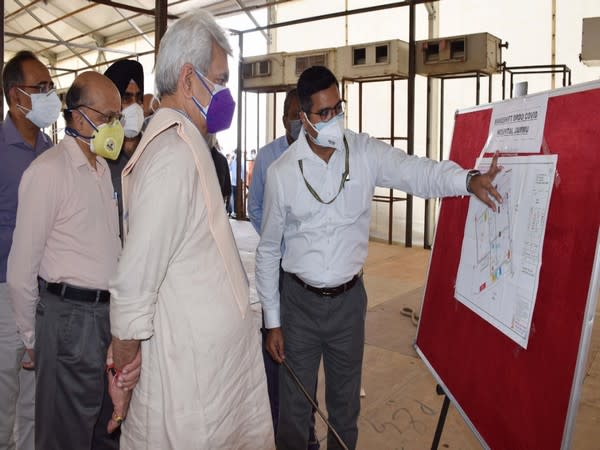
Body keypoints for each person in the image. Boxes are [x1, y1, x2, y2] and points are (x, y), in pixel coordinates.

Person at [255, 65, 502, 450]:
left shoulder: (364, 152)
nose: (335, 118)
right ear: (303, 118)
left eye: (339, 108)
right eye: (324, 113)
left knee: (345, 409)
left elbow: (414, 171)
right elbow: (268, 250)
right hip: (298, 307)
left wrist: (466, 180)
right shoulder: (281, 173)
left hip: (349, 305)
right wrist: (273, 322)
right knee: (294, 414)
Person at [106, 10, 273, 449]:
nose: (224, 93)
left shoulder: (187, 145)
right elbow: (135, 281)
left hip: (211, 373)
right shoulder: (171, 159)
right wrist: (123, 368)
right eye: (218, 80)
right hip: (190, 381)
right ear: (187, 79)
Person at [7, 71, 140, 450]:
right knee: (65, 434)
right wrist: (34, 339)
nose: (117, 126)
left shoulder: (101, 171)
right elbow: (21, 269)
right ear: (80, 117)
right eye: (109, 117)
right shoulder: (48, 172)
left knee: (101, 427)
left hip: (104, 319)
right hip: (67, 319)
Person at [248, 88, 320, 450]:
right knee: (276, 351)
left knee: (305, 352)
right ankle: (277, 429)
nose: (296, 121)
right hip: (277, 272)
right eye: (290, 115)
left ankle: (306, 431)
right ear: (283, 120)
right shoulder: (267, 158)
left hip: (307, 276)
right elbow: (256, 208)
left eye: (300, 114)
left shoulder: (320, 154)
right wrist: (276, 240)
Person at [0, 50, 59, 450]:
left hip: (45, 291)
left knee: (35, 394)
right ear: (14, 95)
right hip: (4, 290)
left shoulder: (50, 148)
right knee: (4, 388)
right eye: (40, 88)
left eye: (50, 88)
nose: (48, 96)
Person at [104, 59, 145, 241]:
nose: (135, 106)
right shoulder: (99, 160)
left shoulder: (152, 151)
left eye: (139, 98)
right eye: (127, 98)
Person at [207, 133, 232, 206]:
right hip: (217, 203)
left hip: (213, 202)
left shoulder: (221, 159)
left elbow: (226, 187)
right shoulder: (222, 159)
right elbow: (227, 188)